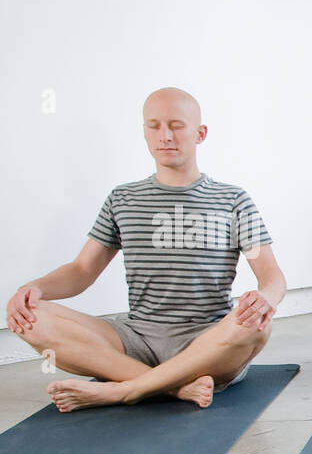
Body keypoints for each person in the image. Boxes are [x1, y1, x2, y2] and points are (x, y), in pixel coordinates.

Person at [5, 88, 285, 412]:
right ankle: (177, 387)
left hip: (209, 343)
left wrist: (266, 298)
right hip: (136, 339)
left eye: (176, 125)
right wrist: (32, 288)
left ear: (200, 133)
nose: (164, 135)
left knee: (258, 325)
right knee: (29, 317)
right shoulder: (122, 199)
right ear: (145, 132)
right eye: (153, 126)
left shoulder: (233, 200)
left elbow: (271, 274)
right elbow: (82, 271)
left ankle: (124, 390)